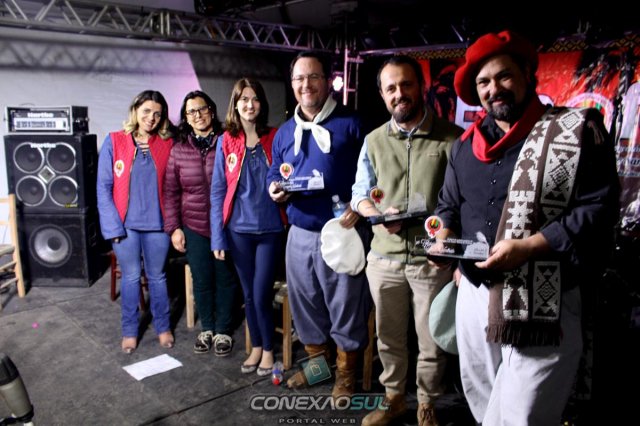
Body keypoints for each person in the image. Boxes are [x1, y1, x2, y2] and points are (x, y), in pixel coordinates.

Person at [433, 30, 620, 426]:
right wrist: (443, 239)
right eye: (483, 82)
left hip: (543, 293)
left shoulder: (574, 131)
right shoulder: (464, 146)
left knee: (525, 415)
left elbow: (599, 209)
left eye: (504, 76)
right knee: (485, 405)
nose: (494, 89)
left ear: (527, 75)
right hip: (475, 293)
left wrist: (531, 246)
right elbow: (448, 206)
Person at [351, 56, 463, 426]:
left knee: (431, 340)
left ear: (421, 86)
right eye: (391, 88)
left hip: (431, 261)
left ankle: (426, 402)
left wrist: (451, 251)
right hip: (384, 259)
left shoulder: (451, 137)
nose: (399, 93)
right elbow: (359, 193)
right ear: (383, 95)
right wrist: (377, 214)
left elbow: (462, 199)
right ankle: (394, 398)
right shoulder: (373, 141)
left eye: (406, 84)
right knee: (388, 338)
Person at [266, 51, 370, 403]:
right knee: (305, 304)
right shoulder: (285, 132)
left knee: (346, 306)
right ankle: (317, 368)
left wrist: (359, 204)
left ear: (328, 81)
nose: (306, 84)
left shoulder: (352, 124)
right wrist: (274, 189)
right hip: (299, 231)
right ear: (292, 83)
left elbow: (373, 173)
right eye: (299, 78)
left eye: (313, 77)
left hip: (342, 230)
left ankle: (345, 374)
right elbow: (274, 171)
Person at [210, 78, 284, 374]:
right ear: (236, 104)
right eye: (244, 99)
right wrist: (217, 237)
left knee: (262, 293)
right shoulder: (225, 140)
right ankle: (256, 347)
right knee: (249, 294)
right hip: (238, 231)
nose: (250, 104)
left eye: (255, 99)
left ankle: (268, 350)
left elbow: (288, 176)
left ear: (261, 104)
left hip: (270, 229)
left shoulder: (275, 137)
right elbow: (218, 190)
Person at [97, 90, 175, 353]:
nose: (151, 118)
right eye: (146, 111)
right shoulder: (115, 141)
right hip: (125, 226)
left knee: (157, 277)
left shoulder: (167, 144)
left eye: (157, 114)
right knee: (130, 277)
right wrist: (112, 227)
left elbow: (174, 187)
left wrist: (173, 225)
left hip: (158, 225)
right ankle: (129, 331)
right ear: (135, 111)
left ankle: (163, 327)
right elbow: (103, 187)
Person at [163, 90, 239, 356]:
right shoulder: (179, 150)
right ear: (186, 117)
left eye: (202, 109)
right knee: (202, 278)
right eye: (191, 111)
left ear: (211, 110)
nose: (198, 115)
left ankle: (223, 330)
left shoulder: (228, 142)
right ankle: (207, 327)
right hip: (193, 225)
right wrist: (174, 228)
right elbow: (170, 192)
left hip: (225, 224)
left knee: (225, 277)